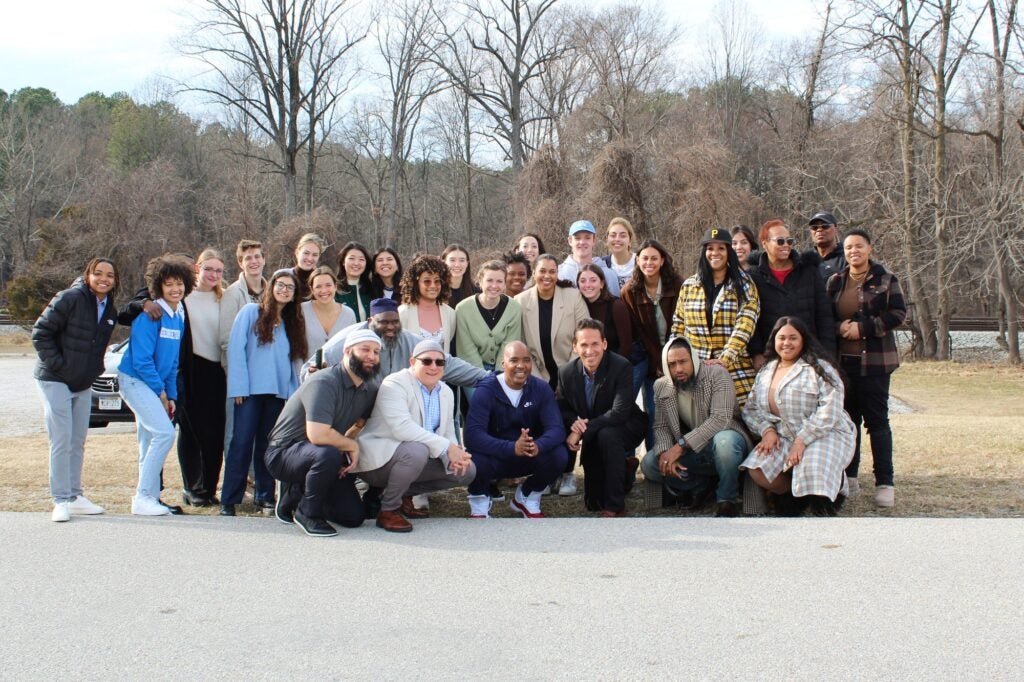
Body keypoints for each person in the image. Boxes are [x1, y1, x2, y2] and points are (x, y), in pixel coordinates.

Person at [265, 329, 382, 537]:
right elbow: (318, 434)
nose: (371, 356)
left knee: (353, 517)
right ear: (347, 351)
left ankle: (296, 494)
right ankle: (307, 513)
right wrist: (350, 446)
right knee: (328, 454)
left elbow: (359, 424)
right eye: (365, 349)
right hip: (284, 452)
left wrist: (346, 446)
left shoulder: (370, 388)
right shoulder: (324, 381)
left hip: (323, 454)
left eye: (376, 351)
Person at [356, 340, 477, 532]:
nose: (433, 367)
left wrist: (456, 455)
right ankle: (388, 510)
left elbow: (446, 432)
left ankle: (399, 494)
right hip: (379, 462)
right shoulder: (394, 383)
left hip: (413, 459)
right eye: (427, 361)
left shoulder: (445, 391)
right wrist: (448, 447)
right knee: (416, 450)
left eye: (440, 362)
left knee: (467, 470)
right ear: (412, 362)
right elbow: (402, 428)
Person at [33, 257, 120, 522]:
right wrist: (59, 365)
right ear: (88, 274)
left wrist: (93, 370)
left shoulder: (109, 310)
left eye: (110, 275)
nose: (104, 279)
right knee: (61, 438)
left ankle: (74, 495)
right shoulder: (69, 297)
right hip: (54, 378)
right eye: (98, 273)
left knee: (77, 439)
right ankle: (60, 500)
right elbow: (40, 333)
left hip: (82, 382)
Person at [740, 317, 854, 515]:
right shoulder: (766, 371)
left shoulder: (820, 368)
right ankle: (795, 497)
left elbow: (831, 409)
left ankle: (829, 497)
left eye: (793, 338)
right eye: (781, 338)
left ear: (803, 340)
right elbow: (750, 409)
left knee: (812, 464)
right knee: (757, 469)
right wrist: (766, 430)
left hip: (824, 433)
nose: (786, 343)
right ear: (774, 341)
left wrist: (802, 440)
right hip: (784, 435)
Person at [826, 229, 907, 507]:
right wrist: (841, 327)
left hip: (875, 363)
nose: (853, 252)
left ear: (869, 248)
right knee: (849, 423)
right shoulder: (835, 282)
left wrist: (864, 328)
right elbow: (826, 318)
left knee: (878, 423)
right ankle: (849, 476)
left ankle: (885, 482)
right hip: (844, 366)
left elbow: (898, 314)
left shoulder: (886, 279)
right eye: (848, 248)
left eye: (858, 246)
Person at [223, 269, 307, 516]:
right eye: (280, 285)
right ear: (271, 287)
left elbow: (294, 363)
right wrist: (238, 387)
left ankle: (265, 495)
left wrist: (295, 394)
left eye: (290, 288)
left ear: (294, 295)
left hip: (278, 394)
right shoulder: (251, 313)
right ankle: (229, 499)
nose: (284, 290)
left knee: (268, 446)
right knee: (241, 443)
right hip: (249, 392)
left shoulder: (292, 324)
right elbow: (236, 350)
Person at [117, 255, 194, 516]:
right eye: (169, 284)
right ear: (159, 286)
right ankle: (143, 496)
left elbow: (172, 364)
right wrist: (159, 392)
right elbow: (141, 360)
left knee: (149, 439)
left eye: (180, 284)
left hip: (157, 386)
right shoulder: (151, 314)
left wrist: (170, 394)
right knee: (165, 434)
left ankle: (147, 499)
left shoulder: (177, 317)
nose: (176, 289)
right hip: (135, 381)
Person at [640, 337, 751, 517]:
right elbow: (661, 426)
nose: (679, 369)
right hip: (694, 452)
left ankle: (726, 499)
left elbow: (720, 419)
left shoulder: (717, 374)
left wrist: (680, 446)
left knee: (725, 442)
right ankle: (699, 486)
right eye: (672, 364)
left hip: (724, 443)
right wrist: (665, 453)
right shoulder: (661, 386)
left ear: (693, 358)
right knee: (650, 464)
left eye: (683, 361)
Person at [464, 341, 568, 518]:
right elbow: (472, 436)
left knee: (559, 454)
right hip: (494, 457)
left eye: (526, 360)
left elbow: (557, 429)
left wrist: (538, 445)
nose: (521, 366)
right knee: (473, 460)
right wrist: (511, 447)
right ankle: (479, 500)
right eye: (514, 360)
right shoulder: (485, 390)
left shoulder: (541, 388)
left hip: (528, 455)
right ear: (503, 364)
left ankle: (528, 495)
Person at [556, 320, 647, 516]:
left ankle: (615, 507)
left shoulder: (621, 366)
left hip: (627, 424)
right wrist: (575, 424)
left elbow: (619, 412)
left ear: (604, 344)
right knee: (593, 502)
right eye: (584, 345)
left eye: (595, 344)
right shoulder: (566, 372)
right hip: (595, 429)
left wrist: (581, 432)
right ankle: (626, 470)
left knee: (607, 435)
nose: (590, 350)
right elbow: (562, 408)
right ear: (575, 346)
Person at [301, 298, 487, 388]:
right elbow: (310, 369)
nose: (390, 327)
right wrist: (313, 374)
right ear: (370, 320)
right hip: (354, 413)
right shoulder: (350, 339)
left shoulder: (407, 339)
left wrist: (490, 379)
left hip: (394, 411)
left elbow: (446, 362)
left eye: (395, 321)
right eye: (384, 322)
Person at [671, 227, 760, 405]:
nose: (715, 253)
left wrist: (724, 360)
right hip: (695, 369)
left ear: (729, 252)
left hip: (734, 367)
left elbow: (745, 325)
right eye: (710, 248)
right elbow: (678, 325)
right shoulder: (689, 285)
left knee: (741, 422)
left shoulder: (744, 285)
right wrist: (676, 359)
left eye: (721, 248)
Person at [176, 248, 227, 507]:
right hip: (192, 370)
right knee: (191, 432)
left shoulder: (225, 298)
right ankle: (192, 487)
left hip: (219, 372)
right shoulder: (184, 297)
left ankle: (208, 487)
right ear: (197, 268)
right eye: (208, 269)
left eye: (218, 270)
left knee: (215, 434)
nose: (213, 274)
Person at [747, 219, 835, 369]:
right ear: (764, 243)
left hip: (809, 355)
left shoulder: (809, 272)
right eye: (780, 241)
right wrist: (756, 353)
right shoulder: (752, 276)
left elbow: (824, 317)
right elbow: (750, 319)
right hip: (770, 357)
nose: (786, 245)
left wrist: (828, 357)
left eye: (790, 241)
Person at [620, 239, 682, 445]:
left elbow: (682, 324)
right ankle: (655, 458)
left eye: (654, 258)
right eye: (644, 258)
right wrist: (658, 362)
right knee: (654, 408)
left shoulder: (678, 284)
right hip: (649, 358)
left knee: (679, 408)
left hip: (678, 353)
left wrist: (671, 359)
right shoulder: (630, 291)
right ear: (637, 260)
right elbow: (638, 332)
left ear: (662, 260)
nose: (649, 263)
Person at [516, 253, 589, 398]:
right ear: (534, 272)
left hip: (571, 372)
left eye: (552, 271)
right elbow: (521, 345)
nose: (547, 276)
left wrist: (567, 377)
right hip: (537, 375)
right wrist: (539, 382)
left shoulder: (573, 297)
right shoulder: (520, 301)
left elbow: (584, 338)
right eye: (542, 271)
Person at [455, 260, 522, 372]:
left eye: (499, 281)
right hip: (472, 370)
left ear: (505, 284)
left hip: (505, 368)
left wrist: (499, 376)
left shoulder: (514, 308)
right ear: (480, 282)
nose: (494, 286)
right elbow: (467, 351)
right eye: (489, 280)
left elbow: (509, 346)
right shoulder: (463, 309)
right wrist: (485, 379)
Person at [399, 254, 457, 353]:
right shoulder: (403, 313)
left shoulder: (450, 313)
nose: (433, 285)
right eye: (427, 281)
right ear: (416, 283)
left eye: (437, 281)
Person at [576, 264, 632, 359]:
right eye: (583, 281)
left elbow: (626, 345)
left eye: (593, 280)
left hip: (616, 364)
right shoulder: (577, 307)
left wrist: (612, 369)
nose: (587, 285)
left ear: (601, 284)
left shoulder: (616, 306)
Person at [301, 266, 356, 356]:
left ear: (335, 286)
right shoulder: (302, 311)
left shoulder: (349, 314)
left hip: (339, 369)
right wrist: (302, 370)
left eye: (328, 285)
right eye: (318, 286)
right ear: (312, 290)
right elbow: (296, 348)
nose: (324, 290)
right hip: (307, 369)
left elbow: (352, 348)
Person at [557, 220, 621, 296]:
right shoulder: (559, 273)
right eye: (577, 238)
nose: (582, 242)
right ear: (570, 241)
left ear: (594, 240)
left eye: (587, 238)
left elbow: (615, 304)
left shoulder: (608, 274)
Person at [335, 241, 373, 321]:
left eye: (361, 259)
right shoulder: (334, 290)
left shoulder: (371, 289)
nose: (356, 263)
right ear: (343, 262)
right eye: (351, 258)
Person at [599, 217, 636, 290]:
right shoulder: (602, 265)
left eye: (623, 236)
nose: (617, 239)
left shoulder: (641, 262)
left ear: (630, 240)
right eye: (613, 235)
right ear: (607, 239)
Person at [808, 211, 845, 282]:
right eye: (814, 227)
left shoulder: (847, 258)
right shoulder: (806, 261)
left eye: (825, 226)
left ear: (836, 230)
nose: (819, 230)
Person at [287, 232, 323, 302]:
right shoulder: (283, 276)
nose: (310, 258)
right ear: (297, 253)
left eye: (315, 255)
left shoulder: (322, 280)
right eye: (306, 253)